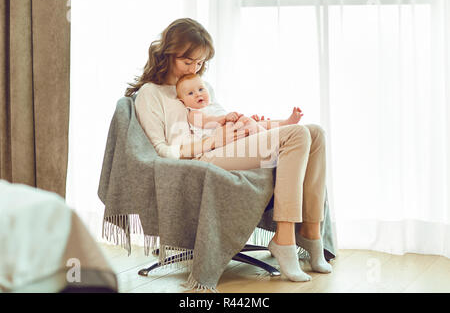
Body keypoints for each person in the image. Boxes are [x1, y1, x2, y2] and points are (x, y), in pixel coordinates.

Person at [127, 18, 332, 282]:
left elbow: (216, 116)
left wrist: (242, 123)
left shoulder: (200, 85)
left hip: (226, 145)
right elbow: (162, 151)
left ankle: (312, 235)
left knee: (315, 132)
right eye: (187, 61)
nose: (194, 68)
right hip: (200, 157)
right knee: (296, 134)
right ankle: (285, 240)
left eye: (200, 63)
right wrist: (214, 141)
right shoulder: (150, 94)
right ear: (167, 54)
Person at [176, 73, 305, 141]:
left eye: (201, 89)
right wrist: (225, 117)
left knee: (259, 121)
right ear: (183, 101)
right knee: (249, 123)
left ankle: (285, 123)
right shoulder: (194, 113)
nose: (198, 94)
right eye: (191, 93)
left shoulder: (212, 105)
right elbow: (207, 122)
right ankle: (271, 137)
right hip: (222, 137)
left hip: (231, 128)